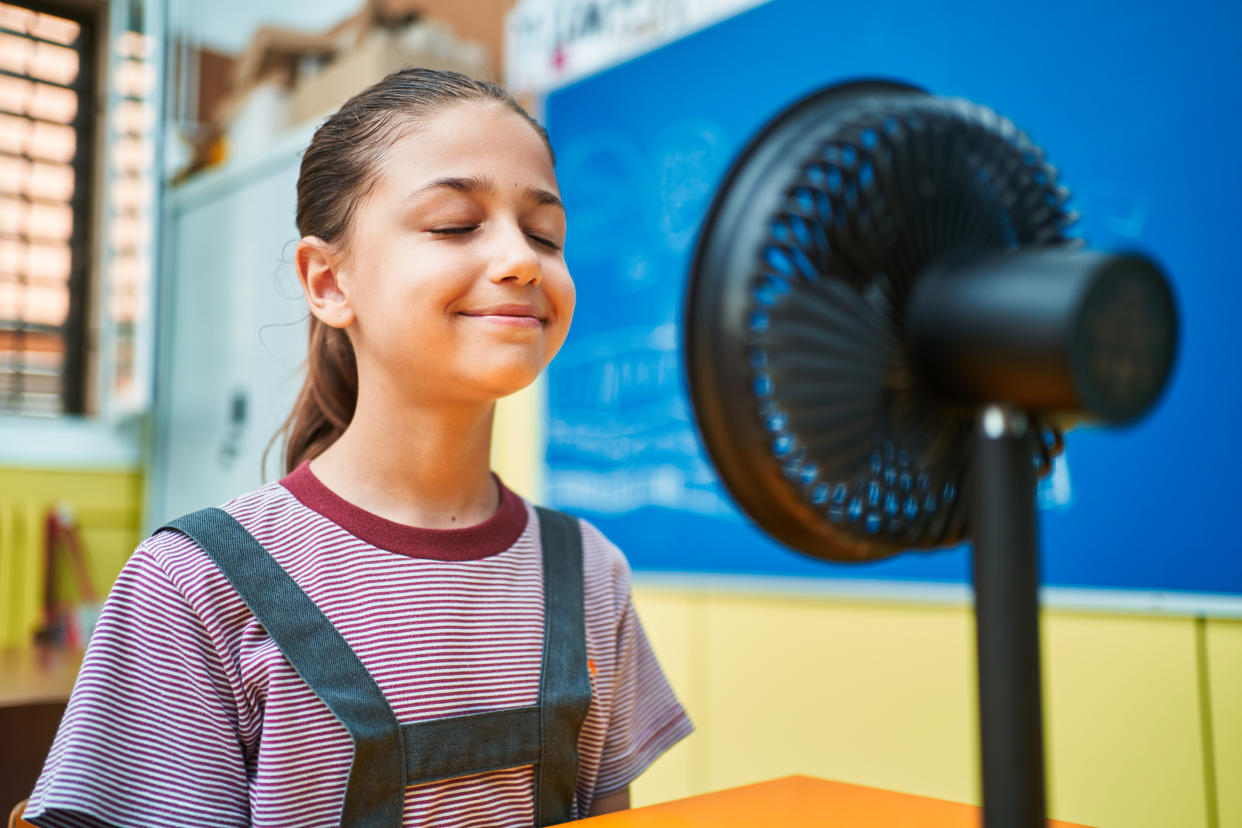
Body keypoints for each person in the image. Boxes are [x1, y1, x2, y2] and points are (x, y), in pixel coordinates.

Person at [24, 68, 693, 828]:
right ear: (328, 280)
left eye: (545, 233)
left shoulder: (590, 574)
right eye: (454, 223)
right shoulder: (192, 587)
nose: (520, 259)